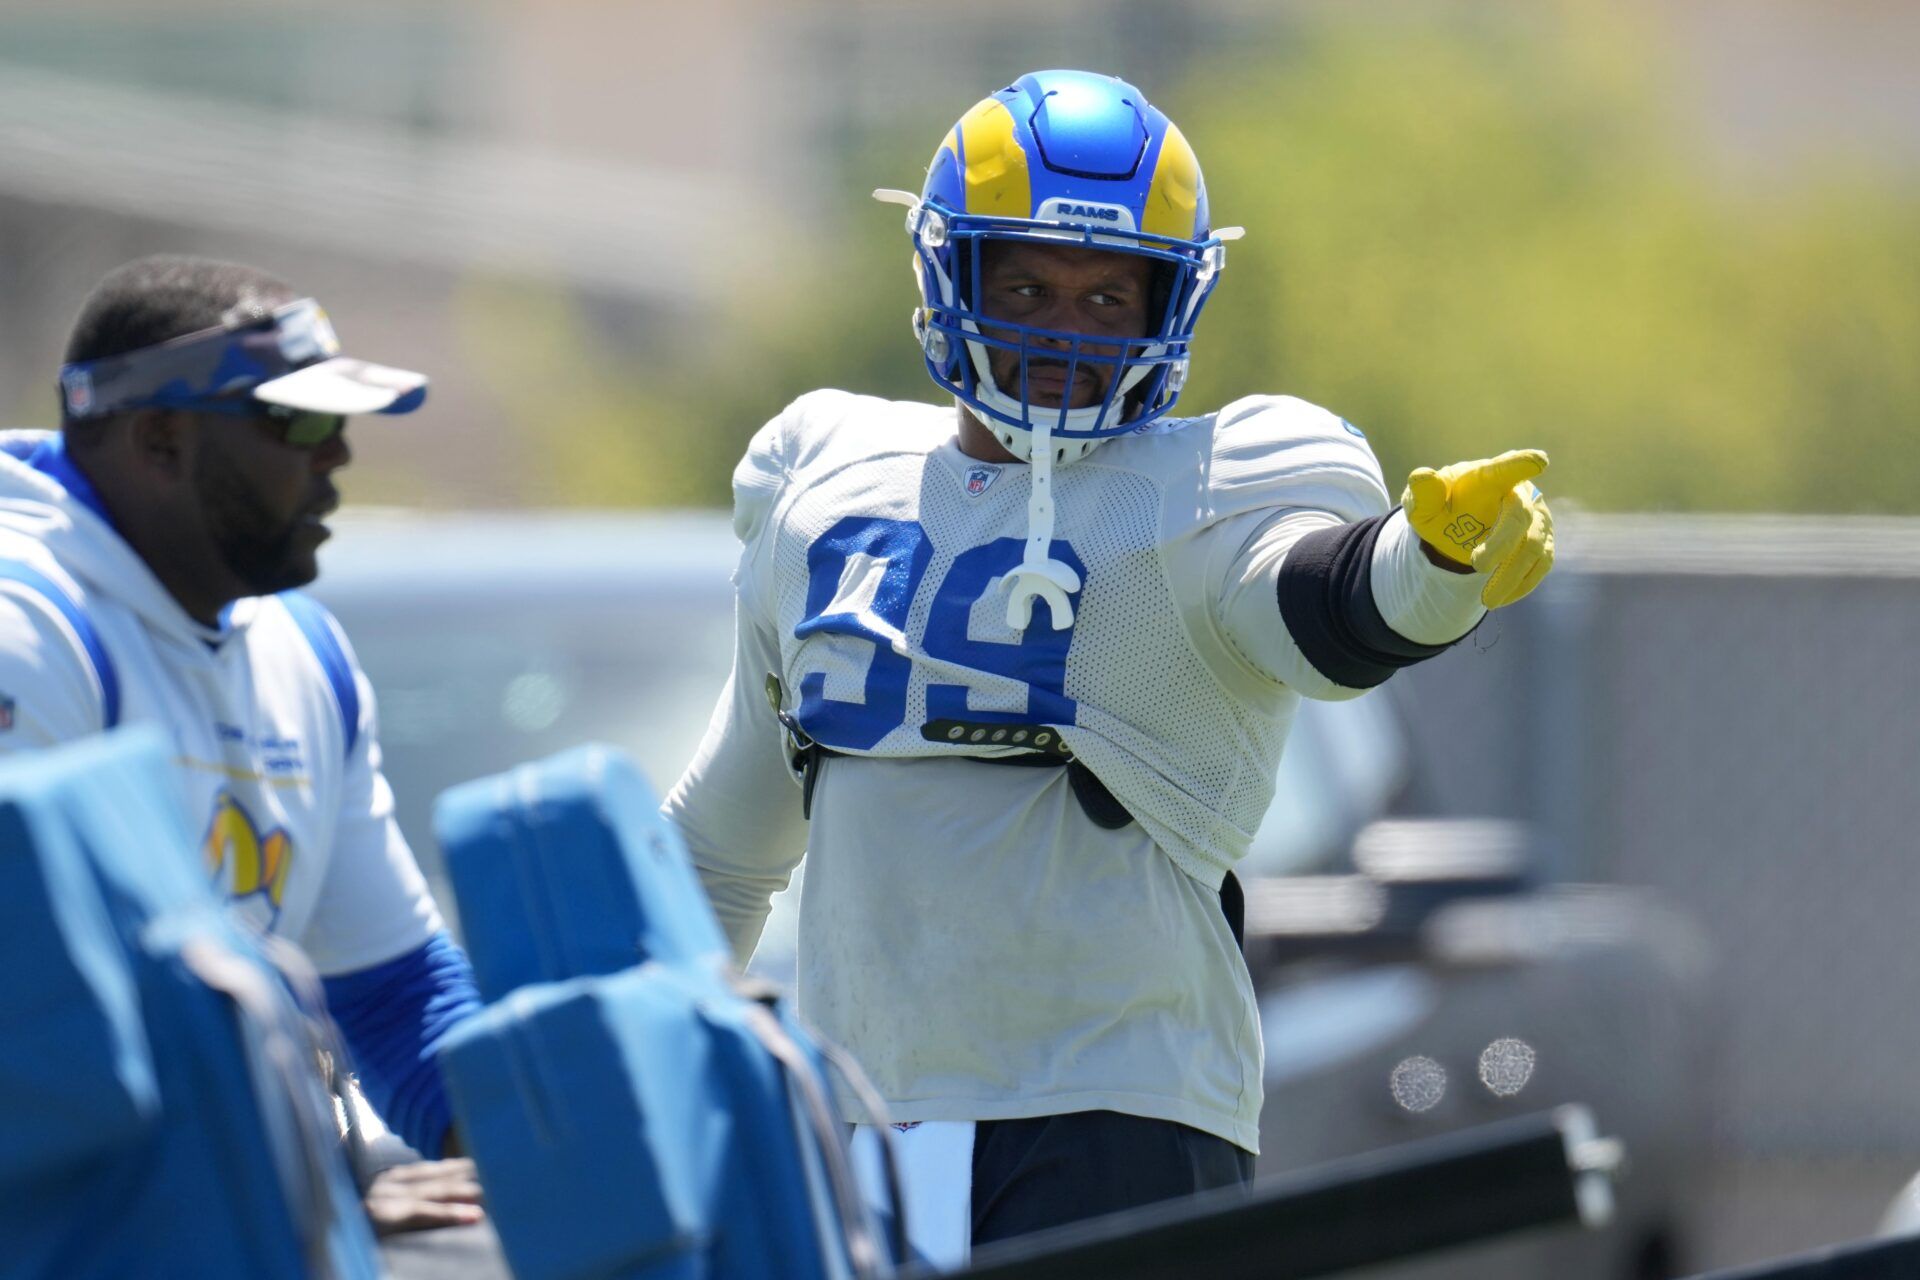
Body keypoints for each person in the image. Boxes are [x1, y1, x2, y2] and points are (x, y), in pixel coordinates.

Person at [664, 69, 1557, 1261]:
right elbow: (728, 840)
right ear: (950, 274)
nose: (1059, 331)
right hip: (859, 1110)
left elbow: (1325, 603)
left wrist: (1429, 567)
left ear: (1168, 305)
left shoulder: (1205, 490)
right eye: (1027, 283)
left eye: (1105, 295)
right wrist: (598, 1056)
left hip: (1118, 1107)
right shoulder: (826, 480)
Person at [0, 255, 485, 1234]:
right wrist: (300, 1172)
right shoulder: (27, 626)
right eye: (296, 421)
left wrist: (547, 1153)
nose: (337, 455)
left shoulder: (302, 646)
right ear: (160, 439)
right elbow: (35, 1040)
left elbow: (393, 993)